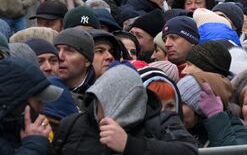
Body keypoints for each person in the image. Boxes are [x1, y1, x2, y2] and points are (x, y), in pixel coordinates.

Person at [51, 65, 199, 154]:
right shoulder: (72, 124)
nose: (106, 109)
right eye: (102, 100)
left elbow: (188, 151)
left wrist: (129, 144)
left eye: (122, 103)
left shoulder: (161, 121)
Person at [0, 57, 63, 155]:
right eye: (38, 102)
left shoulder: (16, 131)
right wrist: (34, 145)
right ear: (18, 106)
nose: (42, 109)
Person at [176, 71, 247, 148]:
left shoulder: (238, 132)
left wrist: (215, 116)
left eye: (180, 104)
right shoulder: (176, 131)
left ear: (199, 109)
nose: (174, 110)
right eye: (173, 103)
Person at [52, 27, 96, 109]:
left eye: (69, 51)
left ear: (87, 61)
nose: (60, 57)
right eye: (57, 50)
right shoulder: (43, 91)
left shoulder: (98, 95)